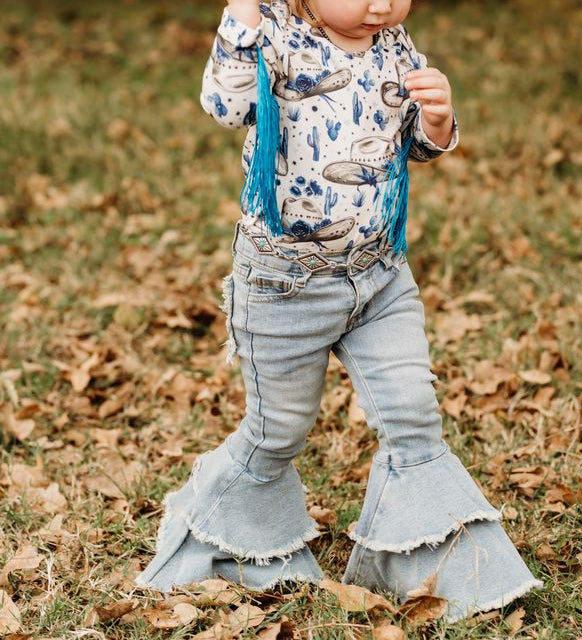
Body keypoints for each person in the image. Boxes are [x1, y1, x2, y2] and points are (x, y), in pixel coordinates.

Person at [135, 0, 544, 623]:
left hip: (379, 276)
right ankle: (212, 544)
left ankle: (431, 570)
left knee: (413, 416)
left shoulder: (393, 42)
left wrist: (437, 120)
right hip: (286, 284)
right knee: (278, 433)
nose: (382, 4)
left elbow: (413, 146)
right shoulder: (275, 32)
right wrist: (242, 14)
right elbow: (226, 105)